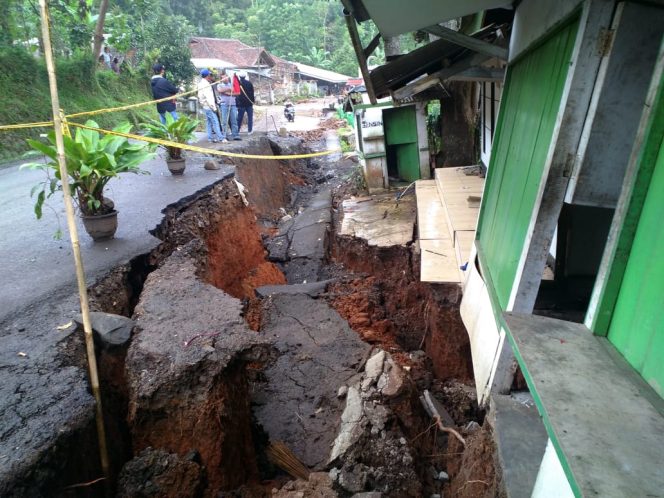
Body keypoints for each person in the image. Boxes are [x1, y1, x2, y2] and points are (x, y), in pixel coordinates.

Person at [198, 68, 224, 143]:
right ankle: (220, 138)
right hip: (209, 106)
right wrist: (213, 107)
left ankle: (210, 138)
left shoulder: (200, 83)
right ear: (207, 75)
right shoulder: (206, 84)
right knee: (215, 122)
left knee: (209, 122)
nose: (210, 76)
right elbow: (209, 97)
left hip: (205, 106)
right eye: (209, 74)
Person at [216, 70, 241, 141]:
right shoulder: (219, 85)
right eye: (223, 78)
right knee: (224, 121)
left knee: (234, 120)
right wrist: (229, 89)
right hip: (224, 104)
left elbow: (237, 92)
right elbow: (220, 90)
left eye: (226, 77)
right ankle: (224, 135)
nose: (225, 79)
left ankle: (235, 134)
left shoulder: (232, 84)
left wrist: (229, 93)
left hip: (233, 104)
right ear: (221, 79)